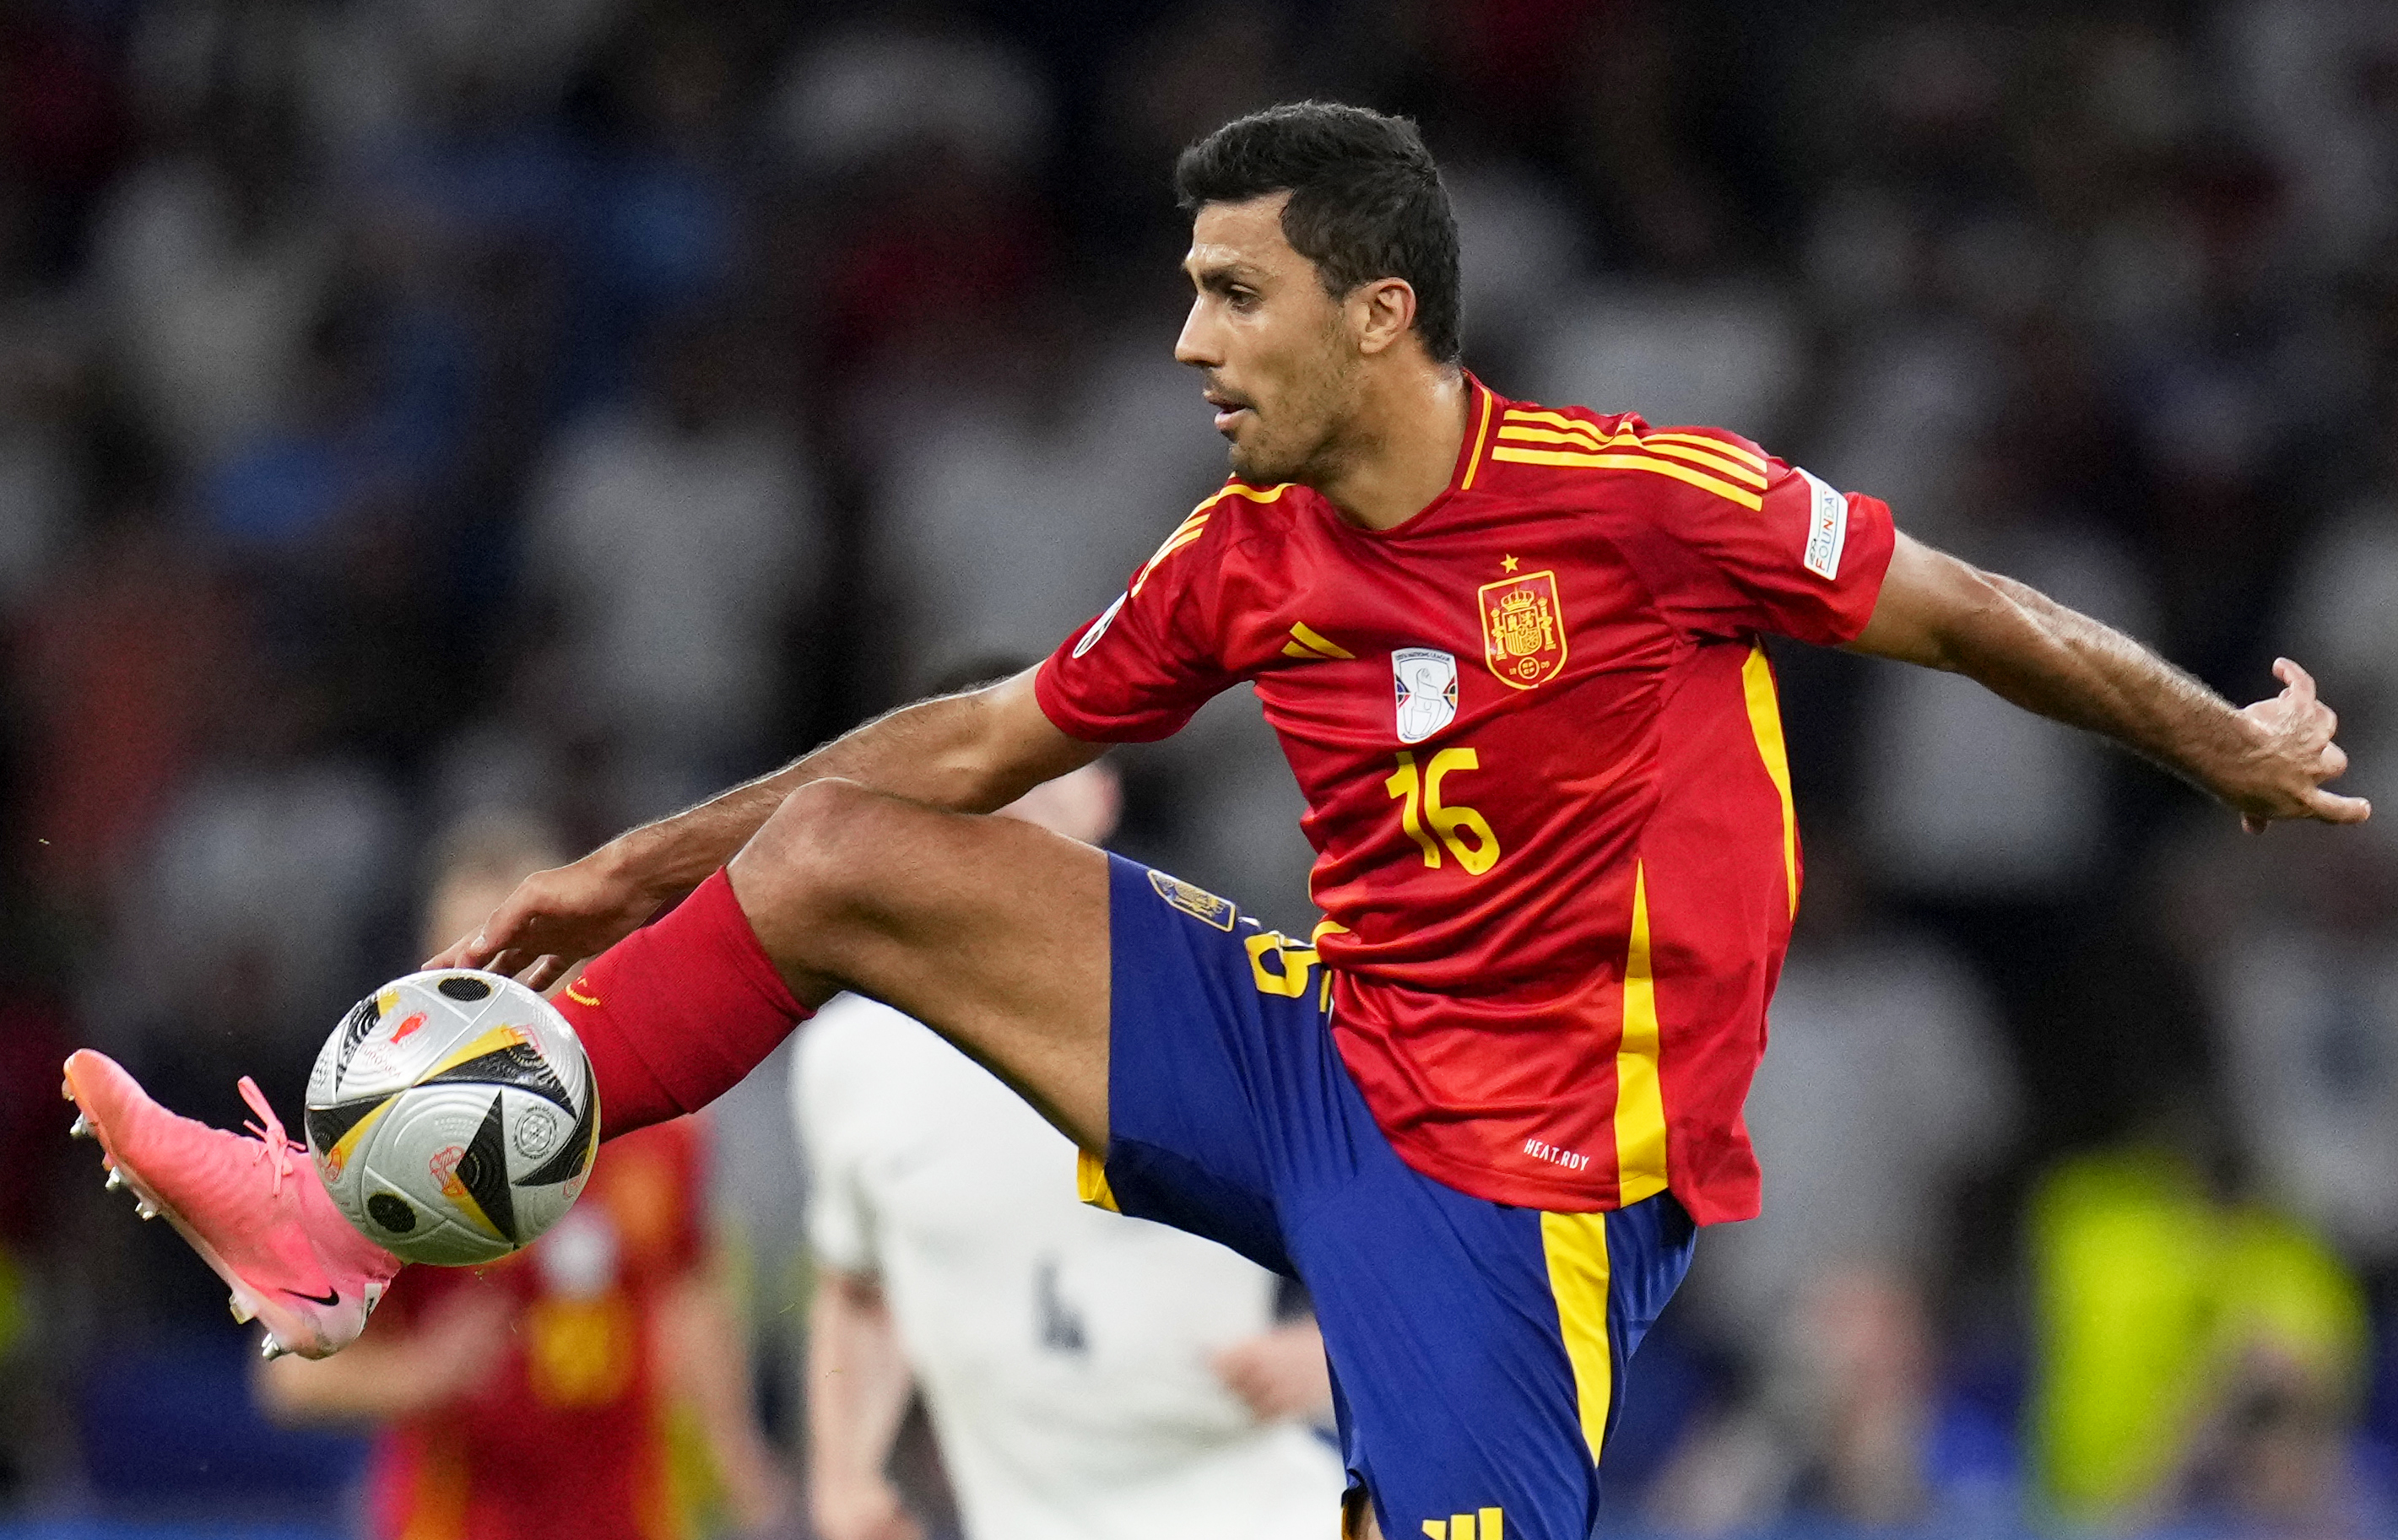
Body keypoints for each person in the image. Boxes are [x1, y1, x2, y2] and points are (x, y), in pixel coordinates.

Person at [63, 102, 2366, 1540]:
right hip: (1315, 1049)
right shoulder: (1242, 555)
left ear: (1376, 314)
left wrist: (2221, 744)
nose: (1188, 343)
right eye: (1185, 295)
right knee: (838, 858)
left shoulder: (1645, 502)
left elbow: (1960, 608)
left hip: (1526, 1188)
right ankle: (334, 1224)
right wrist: (631, 862)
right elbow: (975, 743)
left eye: (1232, 296)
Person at [793, 729, 1342, 1540]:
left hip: (1253, 1505)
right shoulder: (853, 1055)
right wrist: (844, 1481)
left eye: (1043, 775)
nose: (1016, 807)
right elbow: (859, 1286)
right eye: (985, 785)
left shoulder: (1221, 1007)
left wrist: (1337, 1356)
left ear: (1101, 798)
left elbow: (1414, 1207)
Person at [250, 813, 790, 1540]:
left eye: (528, 958)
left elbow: (684, 1293)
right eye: (477, 971)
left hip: (628, 1522)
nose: (502, 994)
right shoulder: (379, 1154)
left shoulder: (665, 1134)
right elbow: (286, 1377)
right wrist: (422, 1374)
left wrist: (737, 1453)